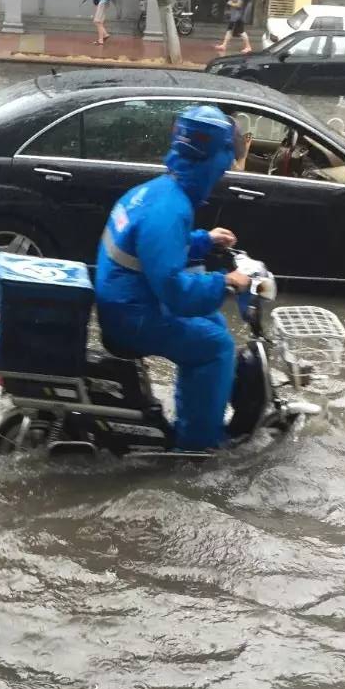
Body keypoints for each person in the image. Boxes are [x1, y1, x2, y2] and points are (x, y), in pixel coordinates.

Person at [95, 105, 253, 452]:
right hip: (132, 315)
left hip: (126, 299)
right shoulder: (171, 208)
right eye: (226, 161)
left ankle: (193, 415)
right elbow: (175, 291)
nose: (226, 170)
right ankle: (197, 447)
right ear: (212, 159)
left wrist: (205, 240)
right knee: (216, 347)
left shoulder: (157, 192)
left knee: (209, 321)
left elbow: (155, 248)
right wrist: (225, 282)